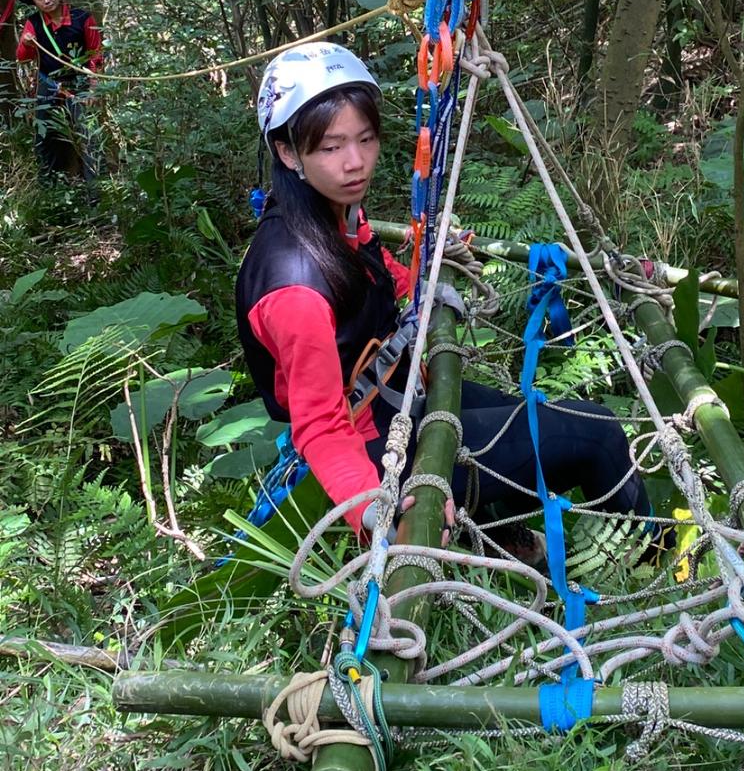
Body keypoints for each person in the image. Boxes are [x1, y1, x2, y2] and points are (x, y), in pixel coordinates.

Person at [235, 42, 656, 564]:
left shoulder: (329, 212)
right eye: (331, 147)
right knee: (596, 434)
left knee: (547, 424)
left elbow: (370, 270)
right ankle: (654, 564)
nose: (355, 162)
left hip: (400, 393)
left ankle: (502, 536)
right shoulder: (293, 284)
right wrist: (371, 506)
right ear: (287, 153)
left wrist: (420, 285)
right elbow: (319, 424)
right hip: (377, 444)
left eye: (366, 139)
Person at [15, 0, 103, 181]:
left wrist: (93, 88)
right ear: (34, 2)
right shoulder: (33, 22)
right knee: (45, 135)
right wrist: (26, 44)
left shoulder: (82, 18)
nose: (46, 0)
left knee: (88, 135)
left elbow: (96, 53)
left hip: (79, 83)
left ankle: (96, 190)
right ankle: (49, 186)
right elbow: (22, 58)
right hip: (48, 83)